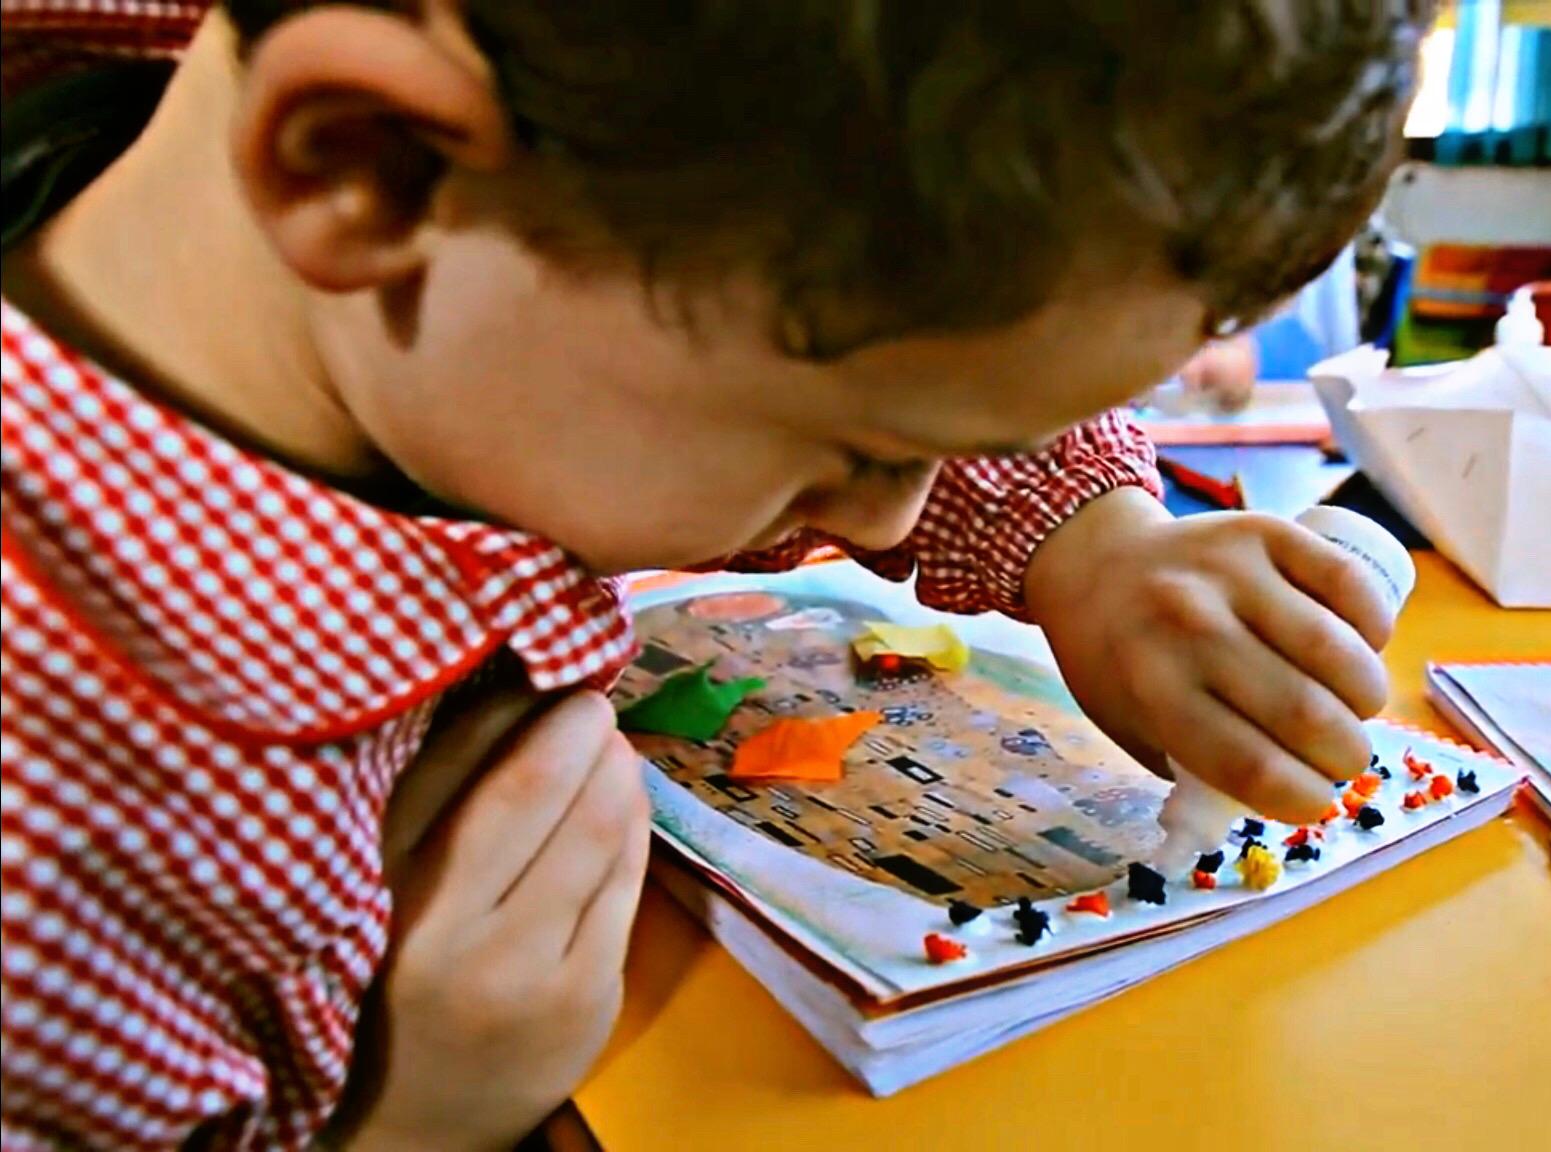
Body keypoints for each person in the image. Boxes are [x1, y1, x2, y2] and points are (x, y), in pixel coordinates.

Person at [0, 1, 1431, 1147]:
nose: (890, 521)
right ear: (371, 166)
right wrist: (402, 1127)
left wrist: (1090, 544)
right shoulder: (63, 860)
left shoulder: (501, 207)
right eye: (857, 452)